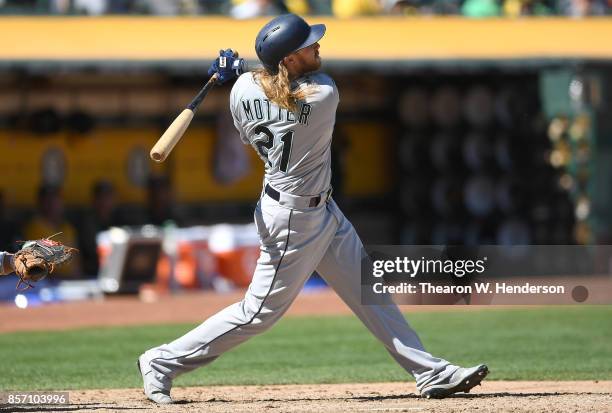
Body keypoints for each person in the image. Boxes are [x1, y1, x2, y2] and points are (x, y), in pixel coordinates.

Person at [137, 13, 488, 405]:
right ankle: (161, 362)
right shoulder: (323, 95)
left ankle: (430, 373)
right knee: (257, 313)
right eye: (307, 45)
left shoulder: (239, 93)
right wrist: (243, 69)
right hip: (292, 221)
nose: (318, 45)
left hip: (319, 208)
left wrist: (234, 71)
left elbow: (263, 84)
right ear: (288, 60)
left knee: (368, 291)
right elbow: (286, 88)